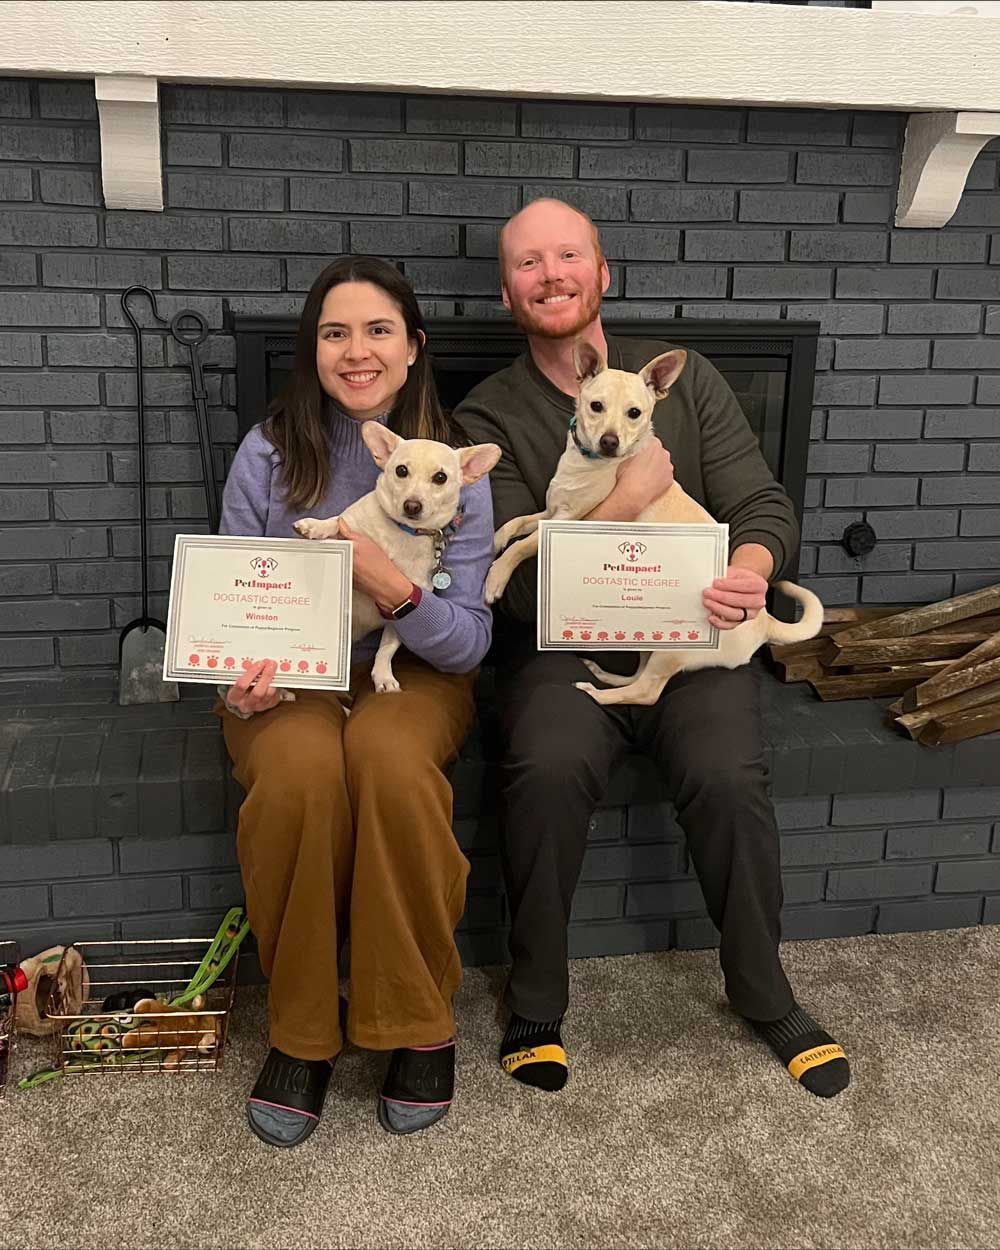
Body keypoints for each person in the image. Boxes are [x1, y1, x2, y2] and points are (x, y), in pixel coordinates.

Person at [454, 198, 850, 1100]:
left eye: (567, 257)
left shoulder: (689, 381)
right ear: (508, 291)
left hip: (690, 630)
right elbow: (513, 587)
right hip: (561, 643)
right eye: (527, 263)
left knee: (727, 774)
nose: (550, 275)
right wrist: (629, 497)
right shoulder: (489, 412)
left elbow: (763, 503)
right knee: (546, 765)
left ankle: (763, 990)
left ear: (602, 274)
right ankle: (536, 1003)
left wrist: (751, 571)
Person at [217, 256, 496, 1146]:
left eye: (379, 330)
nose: (356, 351)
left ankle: (415, 1015)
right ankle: (301, 1033)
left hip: (413, 673)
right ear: (314, 349)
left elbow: (469, 640)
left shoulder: (455, 470)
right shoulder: (268, 452)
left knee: (387, 762)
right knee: (301, 772)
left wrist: (399, 592)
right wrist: (235, 671)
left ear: (413, 348)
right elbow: (233, 589)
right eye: (335, 333)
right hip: (288, 673)